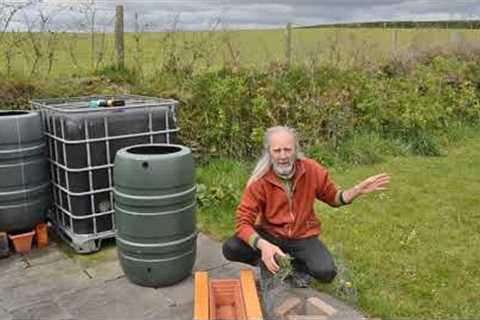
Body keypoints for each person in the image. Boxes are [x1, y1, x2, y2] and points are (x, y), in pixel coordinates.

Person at [222, 126, 390, 287]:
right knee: (232, 248)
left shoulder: (311, 170)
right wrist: (263, 245)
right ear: (269, 152)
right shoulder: (259, 181)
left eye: (287, 149)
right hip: (271, 235)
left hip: (302, 235)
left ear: (295, 149)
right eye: (277, 150)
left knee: (326, 272)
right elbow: (242, 223)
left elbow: (334, 198)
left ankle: (295, 267)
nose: (282, 156)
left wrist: (356, 191)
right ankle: (270, 262)